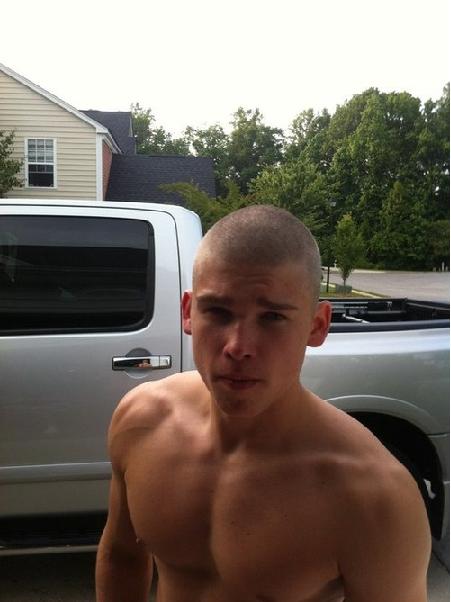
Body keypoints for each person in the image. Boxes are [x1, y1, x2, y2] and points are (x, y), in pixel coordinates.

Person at [96, 205, 431, 602]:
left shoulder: (374, 497)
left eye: (272, 317)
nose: (238, 347)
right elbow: (122, 558)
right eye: (218, 312)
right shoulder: (141, 421)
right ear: (188, 312)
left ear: (317, 326)